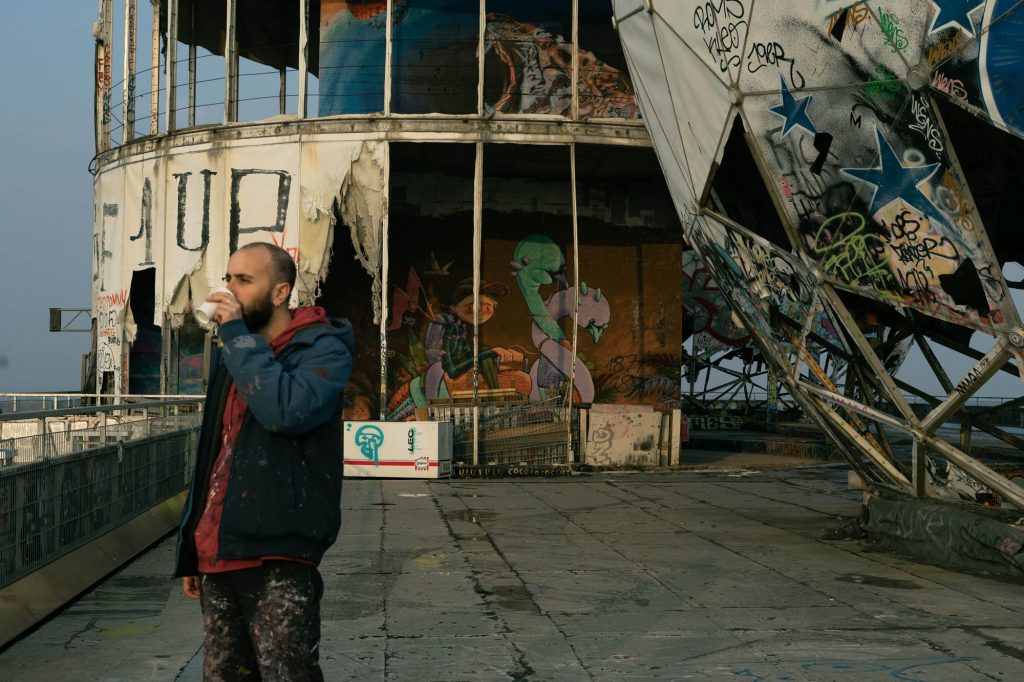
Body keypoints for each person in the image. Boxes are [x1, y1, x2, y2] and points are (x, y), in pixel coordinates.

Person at [173, 242, 353, 681]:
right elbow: (215, 451)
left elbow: (284, 412)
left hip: (278, 550)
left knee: (286, 673)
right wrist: (193, 547)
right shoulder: (235, 354)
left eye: (244, 280)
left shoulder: (322, 349)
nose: (229, 289)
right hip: (220, 551)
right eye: (228, 278)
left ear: (279, 293)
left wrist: (237, 335)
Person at [423, 278, 530, 397]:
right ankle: (495, 395)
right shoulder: (448, 328)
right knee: (486, 353)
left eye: (487, 307)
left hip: (460, 369)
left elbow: (471, 357)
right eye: (470, 308)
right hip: (444, 373)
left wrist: (496, 359)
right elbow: (451, 369)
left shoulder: (461, 329)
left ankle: (495, 393)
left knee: (485, 351)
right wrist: (492, 352)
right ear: (453, 308)